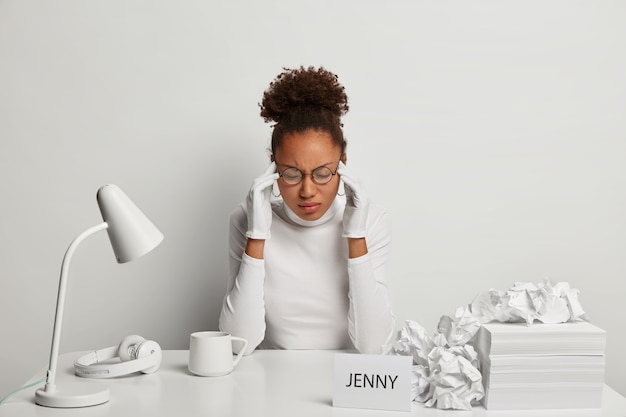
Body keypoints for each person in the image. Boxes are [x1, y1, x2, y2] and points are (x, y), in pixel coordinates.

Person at [219, 66, 395, 355]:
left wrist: (355, 235)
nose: (307, 190)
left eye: (323, 173)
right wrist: (258, 235)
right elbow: (239, 344)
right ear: (272, 166)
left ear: (343, 165)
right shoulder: (246, 219)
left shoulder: (372, 220)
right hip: (272, 381)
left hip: (346, 382)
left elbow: (374, 347)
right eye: (291, 173)